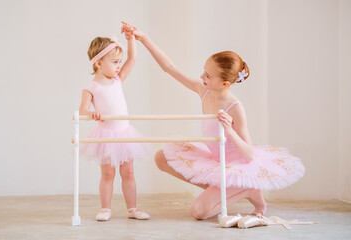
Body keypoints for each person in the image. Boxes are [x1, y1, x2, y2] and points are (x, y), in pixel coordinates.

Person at [121, 21, 305, 220]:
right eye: (203, 71)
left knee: (198, 212)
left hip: (237, 167)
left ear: (225, 83)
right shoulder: (204, 90)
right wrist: (144, 39)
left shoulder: (235, 107)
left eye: (207, 75)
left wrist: (229, 129)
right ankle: (229, 191)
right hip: (215, 161)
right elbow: (170, 68)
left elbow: (249, 154)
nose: (202, 77)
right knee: (161, 157)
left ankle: (249, 188)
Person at [79, 29, 150, 221]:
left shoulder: (118, 80)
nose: (119, 66)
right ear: (99, 63)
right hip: (106, 135)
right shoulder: (91, 87)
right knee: (108, 173)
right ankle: (105, 208)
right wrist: (91, 113)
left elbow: (133, 58)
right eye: (115, 62)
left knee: (129, 172)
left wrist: (131, 39)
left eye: (119, 62)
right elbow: (82, 111)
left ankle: (132, 209)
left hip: (125, 133)